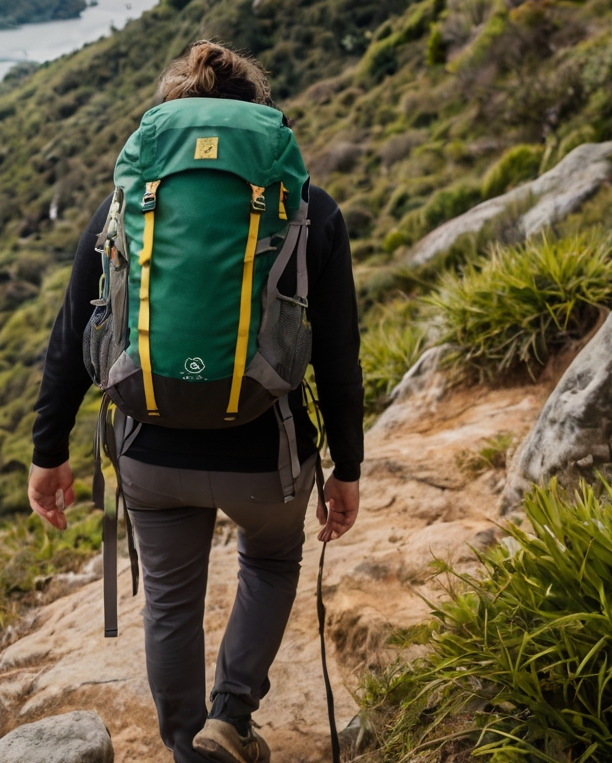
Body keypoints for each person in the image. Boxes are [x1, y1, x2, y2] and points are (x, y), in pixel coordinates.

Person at [28, 41, 364, 763]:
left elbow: (71, 338)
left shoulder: (127, 204)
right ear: (260, 120)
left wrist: (46, 451)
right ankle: (231, 718)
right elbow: (338, 356)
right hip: (264, 446)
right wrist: (347, 468)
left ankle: (186, 749)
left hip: (150, 446)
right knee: (271, 562)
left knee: (171, 602)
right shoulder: (306, 207)